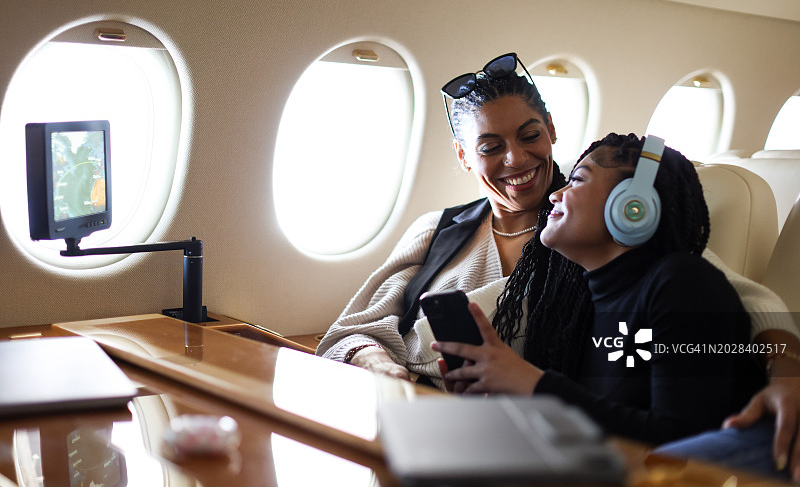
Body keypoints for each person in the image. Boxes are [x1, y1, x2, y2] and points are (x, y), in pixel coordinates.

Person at [316, 53, 800, 476]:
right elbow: (352, 329)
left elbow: (747, 306)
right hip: (407, 420)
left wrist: (788, 376)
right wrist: (381, 366)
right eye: (490, 147)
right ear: (466, 156)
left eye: (529, 135)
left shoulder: (608, 236)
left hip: (512, 439)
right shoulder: (438, 229)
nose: (515, 158)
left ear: (551, 130)